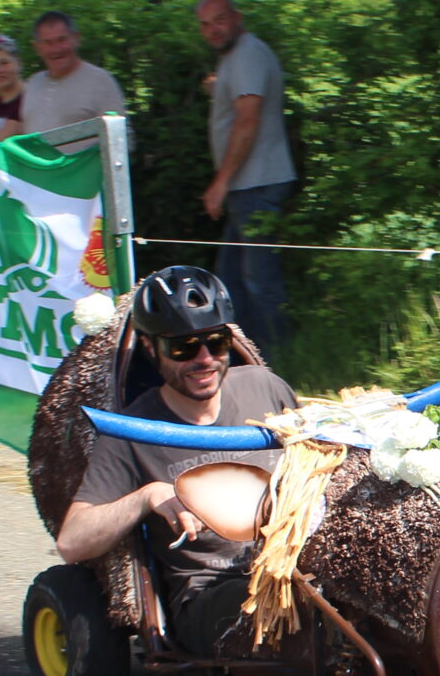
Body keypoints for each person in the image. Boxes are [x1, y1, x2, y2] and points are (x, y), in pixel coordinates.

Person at [56, 267, 291, 655]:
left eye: (216, 344)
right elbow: (72, 542)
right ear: (151, 349)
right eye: (183, 348)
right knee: (286, 609)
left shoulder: (264, 387)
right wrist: (149, 496)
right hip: (211, 591)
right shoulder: (131, 431)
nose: (204, 360)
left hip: (293, 564)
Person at [195, 0, 296, 352]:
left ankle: (281, 359)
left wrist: (220, 183)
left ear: (237, 17)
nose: (213, 30)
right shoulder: (236, 58)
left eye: (219, 20)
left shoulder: (248, 53)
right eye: (205, 24)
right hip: (248, 185)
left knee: (257, 282)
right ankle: (249, 358)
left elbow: (248, 119)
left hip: (258, 183)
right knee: (233, 282)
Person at [16, 11, 125, 148]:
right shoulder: (33, 84)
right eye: (48, 43)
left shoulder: (100, 81)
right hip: (38, 169)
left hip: (86, 169)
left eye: (62, 40)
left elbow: (121, 140)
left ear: (76, 38)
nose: (56, 49)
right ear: (37, 47)